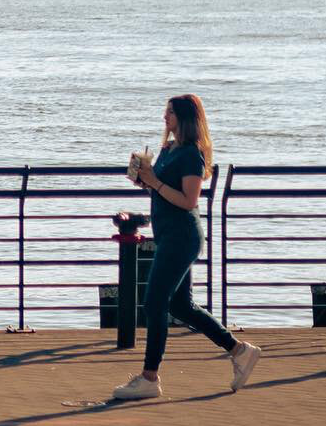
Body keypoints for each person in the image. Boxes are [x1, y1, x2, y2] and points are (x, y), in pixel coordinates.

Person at [112, 93, 262, 401]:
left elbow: (189, 200)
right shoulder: (168, 149)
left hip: (183, 237)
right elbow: (163, 186)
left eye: (169, 113)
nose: (164, 117)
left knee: (154, 303)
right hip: (169, 235)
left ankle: (149, 378)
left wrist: (154, 182)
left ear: (185, 117)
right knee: (180, 306)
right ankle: (239, 351)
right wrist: (144, 179)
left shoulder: (191, 154)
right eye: (165, 112)